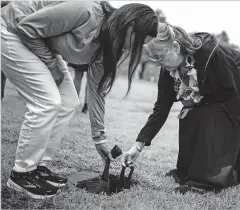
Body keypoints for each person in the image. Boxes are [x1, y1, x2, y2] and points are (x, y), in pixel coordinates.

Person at [1, 1, 158, 199]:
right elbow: (26, 27)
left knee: (69, 102)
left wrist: (99, 138)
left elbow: (96, 90)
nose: (134, 48)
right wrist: (52, 66)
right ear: (130, 24)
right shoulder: (87, 12)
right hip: (11, 29)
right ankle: (21, 174)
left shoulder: (112, 44)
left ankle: (37, 167)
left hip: (38, 44)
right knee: (48, 101)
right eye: (138, 40)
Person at [122, 23, 240, 194]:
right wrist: (138, 145)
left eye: (160, 57)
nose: (159, 64)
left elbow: (231, 89)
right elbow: (161, 108)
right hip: (215, 86)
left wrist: (197, 101)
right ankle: (185, 172)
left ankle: (204, 181)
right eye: (154, 59)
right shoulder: (168, 69)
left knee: (208, 115)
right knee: (188, 115)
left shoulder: (209, 54)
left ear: (176, 47)